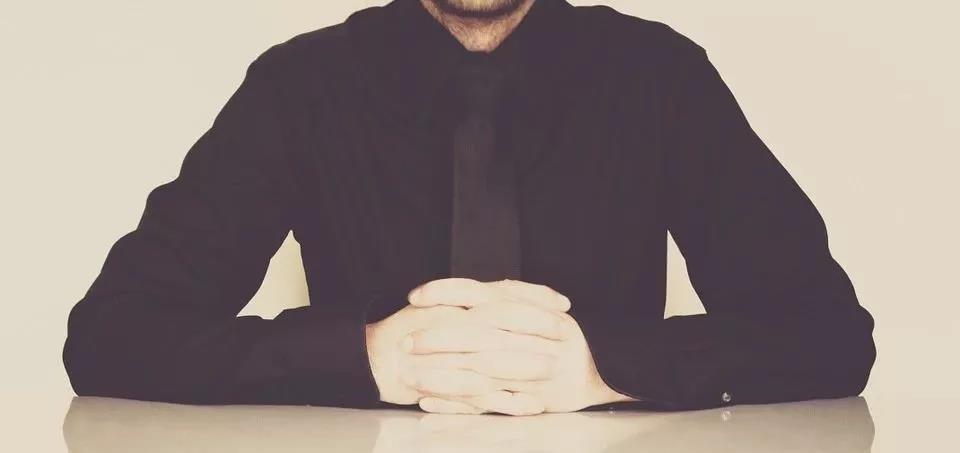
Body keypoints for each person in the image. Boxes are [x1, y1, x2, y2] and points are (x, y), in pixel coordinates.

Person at [62, 0, 877, 416]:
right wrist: (361, 356)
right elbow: (110, 334)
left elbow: (829, 333)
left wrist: (609, 367)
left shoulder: (661, 77)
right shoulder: (298, 87)